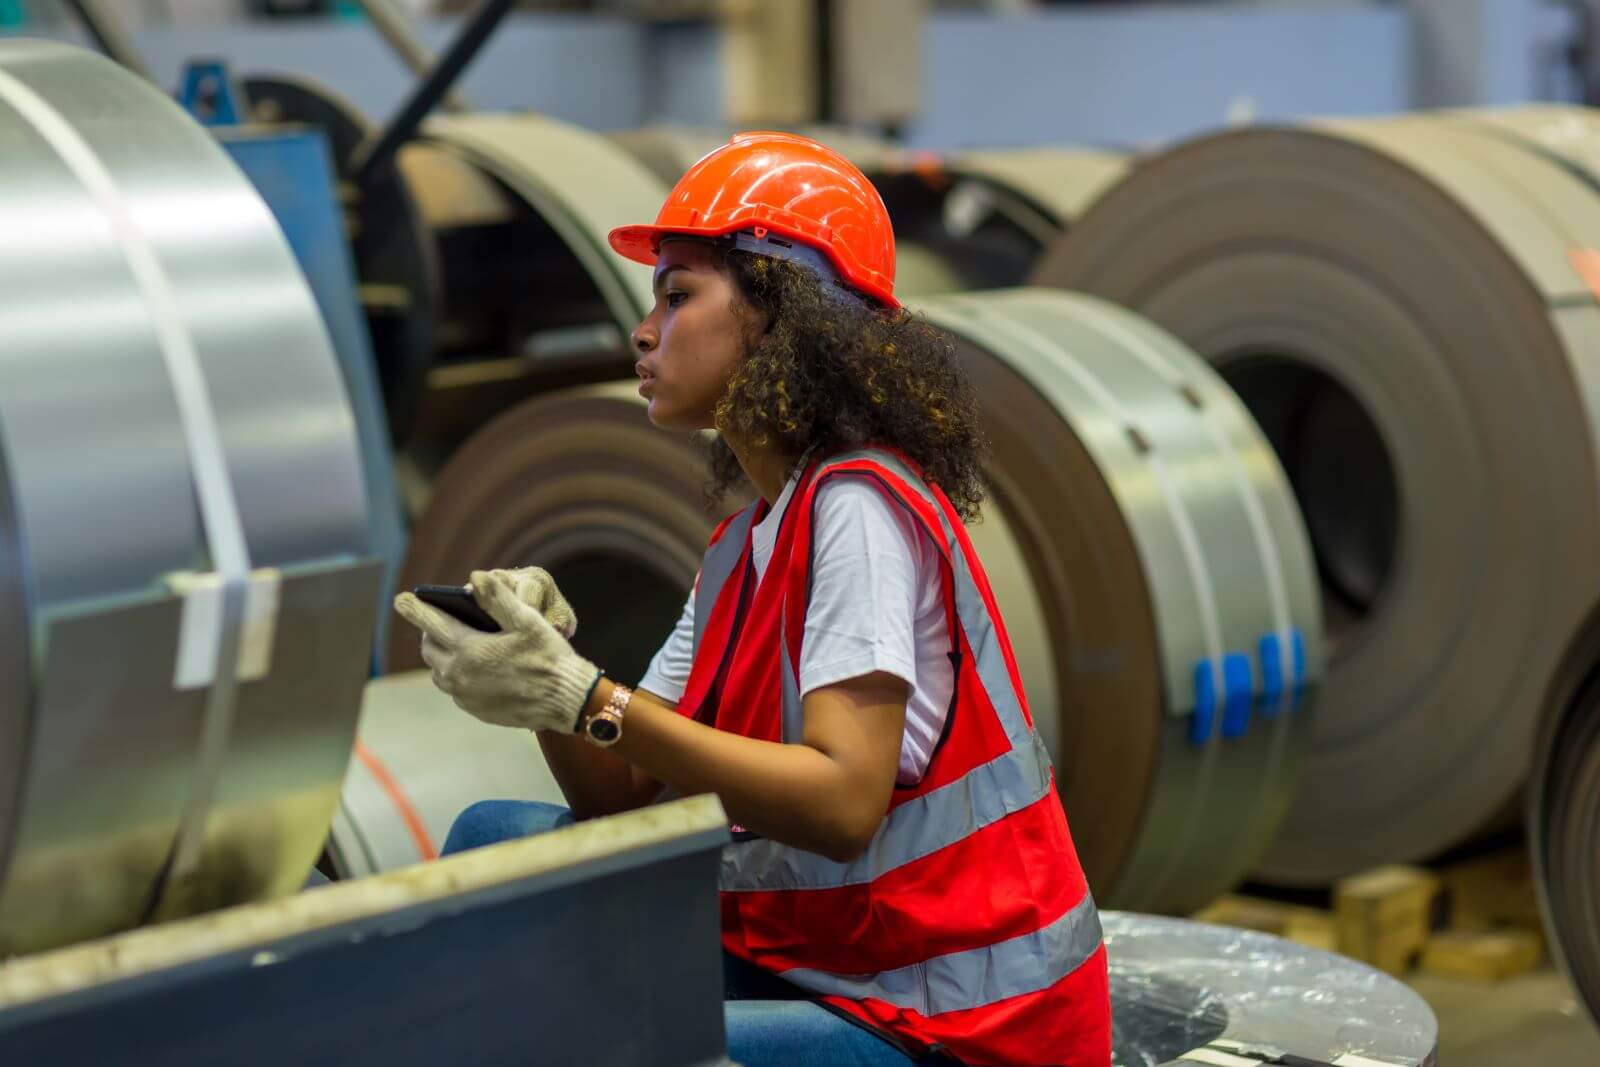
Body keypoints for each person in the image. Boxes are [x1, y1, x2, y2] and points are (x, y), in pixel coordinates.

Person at [393, 132, 1112, 1067]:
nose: (644, 332)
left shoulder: (858, 509)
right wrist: (551, 670)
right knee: (493, 842)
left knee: (604, 1042)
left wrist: (591, 699)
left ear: (782, 318)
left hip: (956, 1025)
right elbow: (627, 796)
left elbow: (845, 801)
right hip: (836, 961)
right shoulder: (746, 546)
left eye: (679, 294)